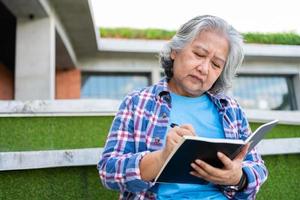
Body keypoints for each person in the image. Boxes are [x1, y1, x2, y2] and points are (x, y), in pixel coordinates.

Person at [97, 15, 268, 199]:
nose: (204, 68)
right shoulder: (137, 102)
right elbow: (108, 171)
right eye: (199, 54)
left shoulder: (231, 110)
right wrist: (161, 158)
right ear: (175, 51)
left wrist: (238, 178)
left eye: (216, 64)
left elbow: (258, 167)